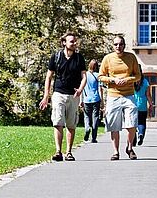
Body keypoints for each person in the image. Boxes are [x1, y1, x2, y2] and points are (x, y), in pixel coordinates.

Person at [39, 32, 87, 161]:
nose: (74, 43)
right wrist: (46, 96)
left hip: (73, 95)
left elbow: (84, 77)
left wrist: (80, 90)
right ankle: (58, 151)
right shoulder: (56, 57)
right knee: (58, 122)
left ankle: (69, 152)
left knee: (71, 125)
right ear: (64, 43)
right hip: (58, 93)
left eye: (75, 41)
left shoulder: (79, 58)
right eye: (71, 41)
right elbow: (49, 77)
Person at [98, 34, 142, 160]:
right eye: (116, 44)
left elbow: (138, 76)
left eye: (121, 44)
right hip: (113, 95)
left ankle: (129, 147)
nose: (118, 46)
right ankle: (115, 151)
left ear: (124, 45)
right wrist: (113, 80)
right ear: (113, 46)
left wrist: (128, 79)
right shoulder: (108, 58)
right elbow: (101, 76)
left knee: (132, 123)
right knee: (114, 125)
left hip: (129, 95)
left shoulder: (131, 57)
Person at [80, 59, 102, 143]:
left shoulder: (84, 75)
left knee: (86, 116)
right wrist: (102, 101)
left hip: (86, 99)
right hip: (96, 99)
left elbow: (81, 88)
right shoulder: (98, 75)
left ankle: (87, 128)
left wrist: (80, 100)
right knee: (95, 117)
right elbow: (100, 89)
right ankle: (93, 137)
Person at [132, 75, 151, 147]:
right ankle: (141, 133)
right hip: (142, 104)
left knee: (132, 123)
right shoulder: (145, 82)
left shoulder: (132, 80)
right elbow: (148, 95)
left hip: (133, 103)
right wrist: (150, 104)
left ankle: (133, 139)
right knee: (142, 122)